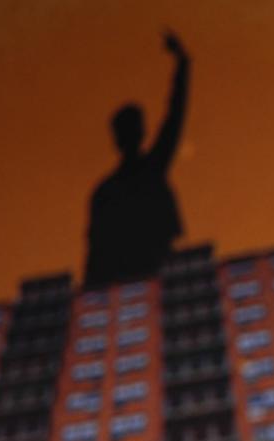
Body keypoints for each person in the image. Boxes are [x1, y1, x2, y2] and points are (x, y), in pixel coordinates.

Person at [83, 29, 189, 289]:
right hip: (119, 275)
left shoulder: (145, 170)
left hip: (154, 264)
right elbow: (94, 247)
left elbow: (175, 115)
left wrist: (183, 64)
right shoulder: (105, 191)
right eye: (127, 128)